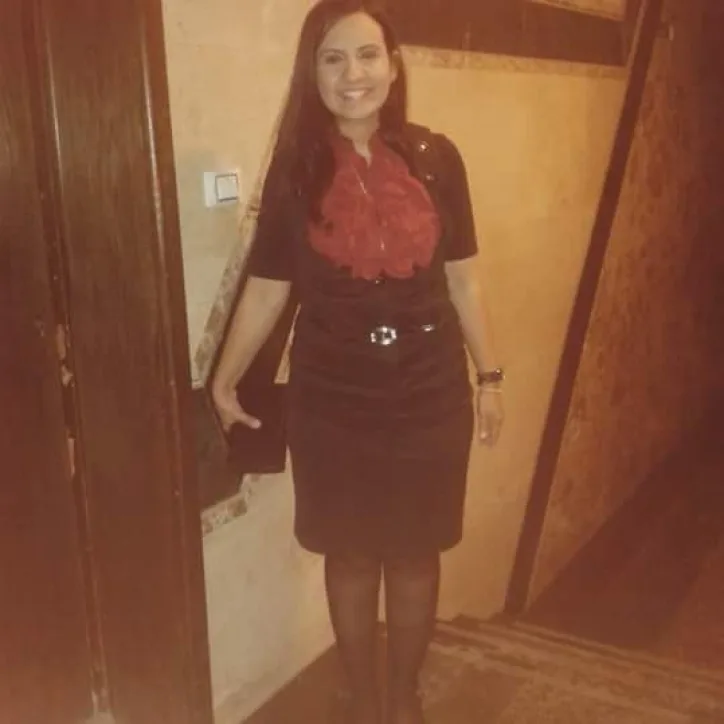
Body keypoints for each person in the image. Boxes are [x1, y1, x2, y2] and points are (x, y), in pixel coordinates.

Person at [211, 1, 504, 722]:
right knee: (348, 554)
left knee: (414, 552)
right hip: (332, 392)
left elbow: (464, 278)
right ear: (312, 73)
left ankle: (402, 697)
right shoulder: (295, 169)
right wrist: (224, 377)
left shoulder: (439, 159)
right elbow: (269, 286)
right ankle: (363, 695)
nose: (353, 74)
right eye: (333, 58)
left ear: (393, 65)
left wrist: (489, 377)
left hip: (430, 387)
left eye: (368, 54)